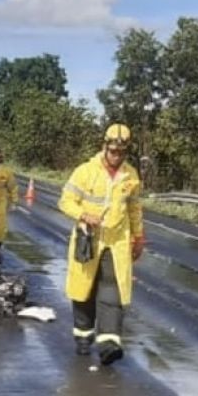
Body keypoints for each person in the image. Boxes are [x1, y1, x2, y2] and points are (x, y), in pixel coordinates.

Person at [58, 124, 146, 365]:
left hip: (116, 240)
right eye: (113, 151)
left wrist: (138, 237)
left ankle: (109, 344)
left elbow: (134, 208)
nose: (117, 156)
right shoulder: (85, 172)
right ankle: (83, 337)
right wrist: (83, 215)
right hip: (89, 237)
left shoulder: (131, 175)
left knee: (112, 287)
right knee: (84, 288)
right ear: (105, 147)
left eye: (122, 152)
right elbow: (65, 202)